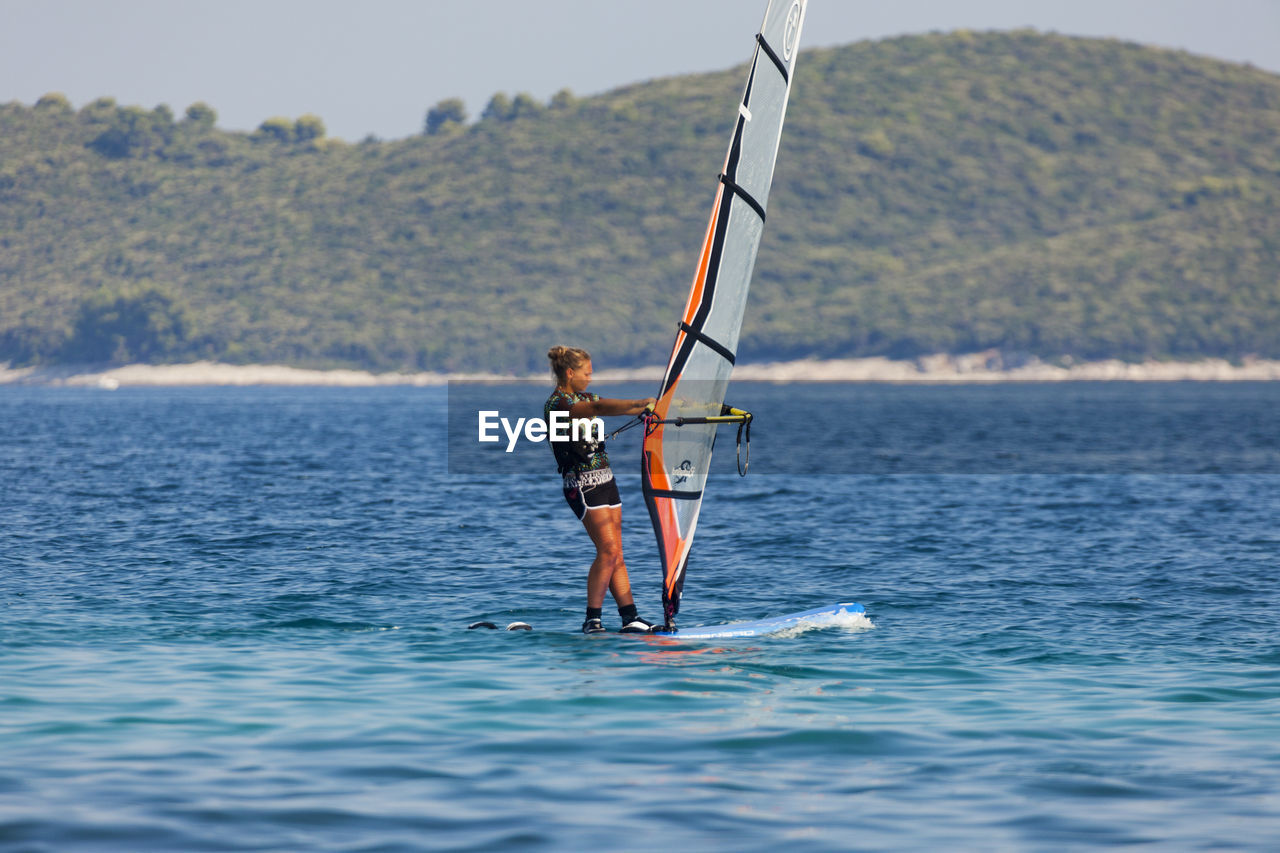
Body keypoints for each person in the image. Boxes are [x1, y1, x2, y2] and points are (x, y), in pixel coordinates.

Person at [545, 345, 657, 634]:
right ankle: (592, 619)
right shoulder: (558, 404)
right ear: (570, 373)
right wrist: (641, 400)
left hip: (606, 479)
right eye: (586, 373)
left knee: (616, 552)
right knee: (606, 550)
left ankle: (630, 617)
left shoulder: (585, 396)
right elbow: (596, 409)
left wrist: (653, 406)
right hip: (581, 483)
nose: (590, 378)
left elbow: (610, 405)